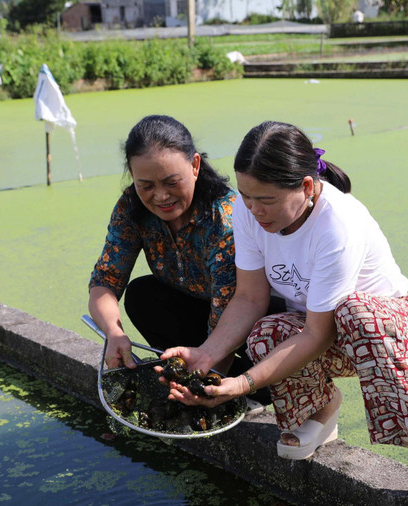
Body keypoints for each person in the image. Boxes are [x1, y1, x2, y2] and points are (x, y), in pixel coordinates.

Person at [158, 121, 408, 506]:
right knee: (266, 332)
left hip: (389, 323)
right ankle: (321, 409)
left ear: (307, 188)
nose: (255, 210)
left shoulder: (338, 223)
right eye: (247, 197)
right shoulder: (248, 210)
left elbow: (320, 332)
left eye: (267, 200)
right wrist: (206, 354)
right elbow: (251, 297)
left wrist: (241, 384)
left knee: (356, 314)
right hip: (319, 327)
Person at [87, 115, 275, 409]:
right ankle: (207, 381)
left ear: (195, 166)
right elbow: (104, 281)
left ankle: (244, 387)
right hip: (196, 309)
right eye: (145, 185)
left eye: (172, 182)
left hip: (246, 317)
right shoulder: (130, 206)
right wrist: (114, 332)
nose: (160, 196)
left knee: (264, 334)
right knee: (142, 296)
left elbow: (230, 307)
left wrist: (206, 381)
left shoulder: (224, 217)